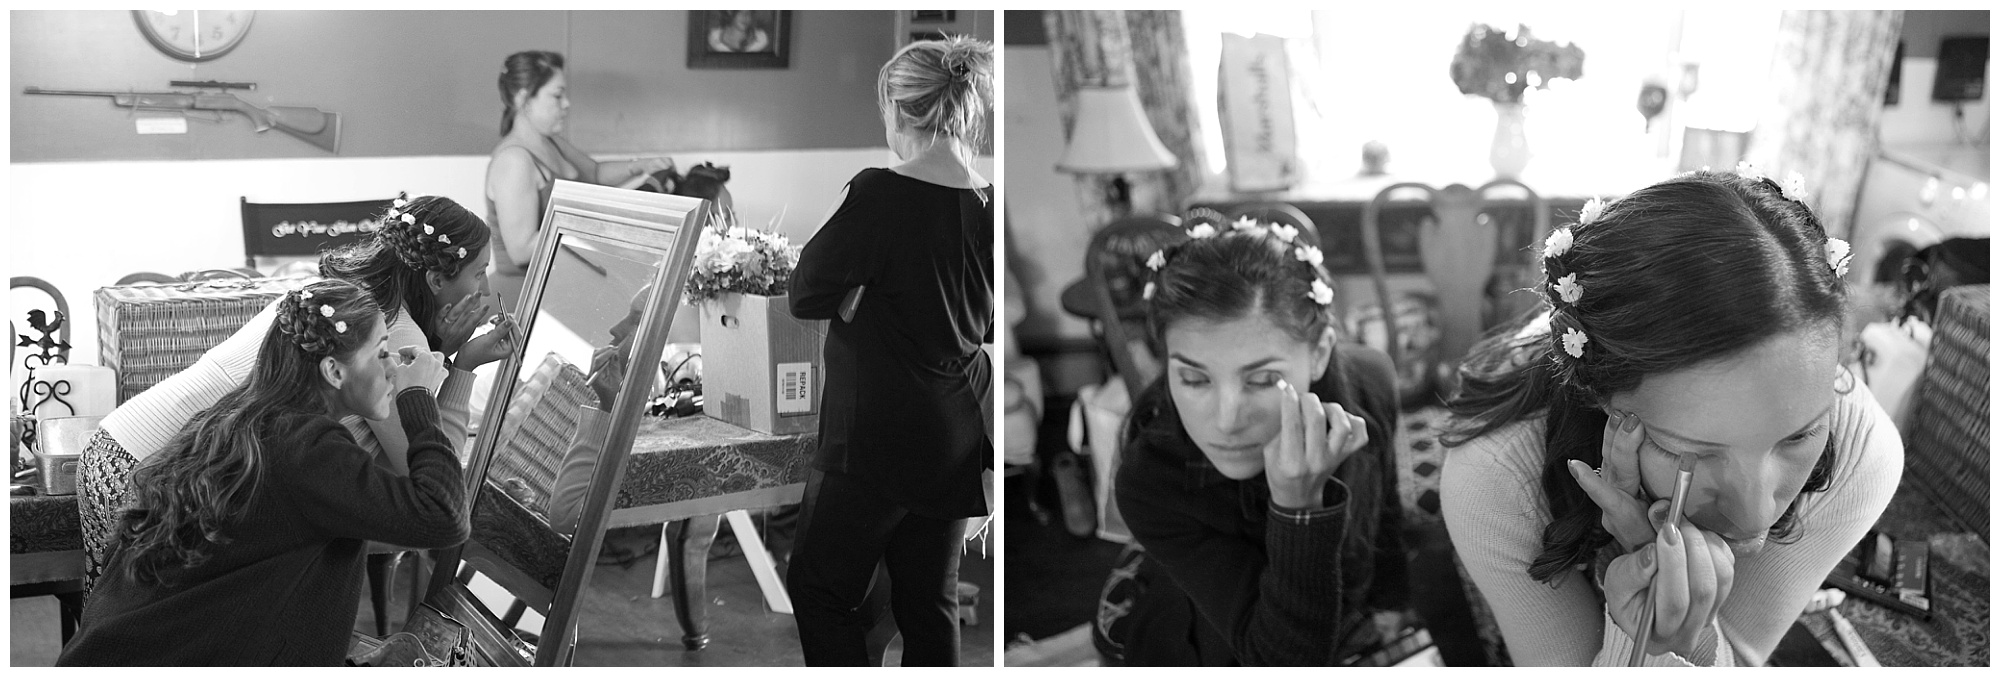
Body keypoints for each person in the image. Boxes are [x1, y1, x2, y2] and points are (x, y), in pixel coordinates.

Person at [1439, 168, 1902, 666]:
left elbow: (1742, 657)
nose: (1755, 516)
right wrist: (1638, 619)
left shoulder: (1863, 450)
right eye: (1690, 451)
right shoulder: (1493, 476)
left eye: (1800, 436)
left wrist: (1689, 640)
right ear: (1604, 401)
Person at [76, 195, 514, 594]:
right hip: (148, 469)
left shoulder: (348, 299)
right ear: (437, 279)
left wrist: (442, 350)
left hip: (122, 446)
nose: (482, 287)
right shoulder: (393, 330)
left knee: (122, 622)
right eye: (479, 272)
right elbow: (430, 480)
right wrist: (461, 370)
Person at [58, 280, 470, 666]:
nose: (395, 366)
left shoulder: (247, 414)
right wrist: (418, 399)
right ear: (334, 371)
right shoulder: (307, 448)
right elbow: (443, 517)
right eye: (382, 352)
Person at [1100, 221, 1407, 666]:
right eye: (1193, 378)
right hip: (1218, 630)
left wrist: (1392, 596)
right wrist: (1297, 509)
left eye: (1263, 379)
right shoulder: (1151, 477)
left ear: (1319, 352)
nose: (1226, 422)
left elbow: (1385, 506)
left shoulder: (1370, 381)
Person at [784, 37, 993, 667]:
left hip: (875, 429)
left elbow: (804, 292)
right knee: (928, 601)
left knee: (819, 588)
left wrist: (858, 293)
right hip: (956, 424)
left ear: (898, 111)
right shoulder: (985, 197)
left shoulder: (878, 192)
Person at [486, 50, 676, 304]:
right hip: (521, 299)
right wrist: (596, 222)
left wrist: (642, 165)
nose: (566, 103)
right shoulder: (514, 161)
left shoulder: (551, 143)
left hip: (558, 288)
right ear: (524, 100)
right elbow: (521, 250)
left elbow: (595, 174)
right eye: (557, 95)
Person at [707, 11, 772, 53]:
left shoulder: (761, 39)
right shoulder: (714, 38)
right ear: (731, 14)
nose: (746, 17)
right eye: (741, 12)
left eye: (749, 13)